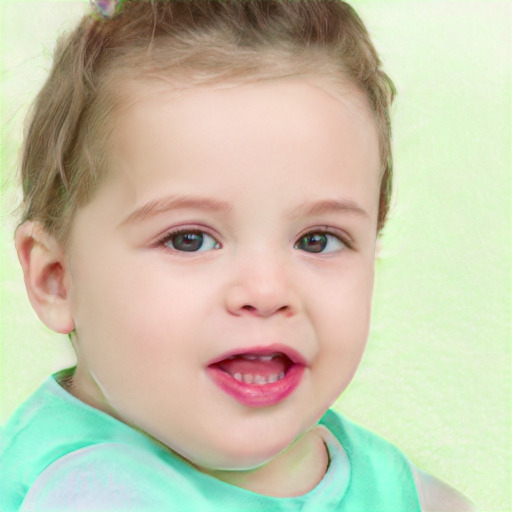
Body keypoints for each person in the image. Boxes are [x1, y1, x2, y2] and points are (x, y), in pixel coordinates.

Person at [0, 0, 478, 510]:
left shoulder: (386, 481)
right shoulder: (88, 491)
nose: (268, 290)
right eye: (190, 239)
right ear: (57, 278)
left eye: (317, 239)